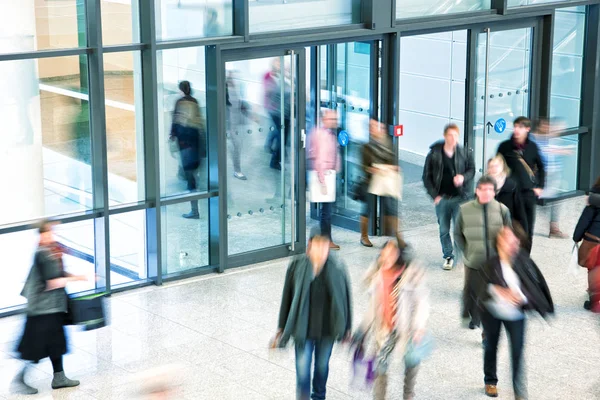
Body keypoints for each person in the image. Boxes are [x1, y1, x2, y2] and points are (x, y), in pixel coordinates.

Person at [273, 227, 353, 400]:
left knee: (321, 368)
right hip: (303, 329)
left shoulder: (337, 268)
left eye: (325, 245)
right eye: (318, 245)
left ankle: (319, 396)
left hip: (328, 330)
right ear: (310, 245)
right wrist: (281, 326)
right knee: (302, 371)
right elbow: (287, 296)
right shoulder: (297, 265)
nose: (322, 249)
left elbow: (346, 299)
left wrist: (347, 328)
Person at [478, 226, 554, 399]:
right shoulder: (491, 262)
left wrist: (521, 298)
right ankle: (490, 380)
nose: (513, 244)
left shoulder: (523, 261)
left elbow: (535, 288)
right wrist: (499, 290)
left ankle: (519, 392)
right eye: (508, 240)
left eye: (515, 240)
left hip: (516, 315)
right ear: (499, 243)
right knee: (491, 346)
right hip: (492, 312)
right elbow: (480, 288)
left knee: (517, 352)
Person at [13, 221, 87, 395]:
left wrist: (78, 276)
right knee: (36, 347)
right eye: (48, 233)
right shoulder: (42, 254)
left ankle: (59, 377)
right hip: (42, 310)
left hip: (51, 308)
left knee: (56, 343)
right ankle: (20, 379)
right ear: (41, 235)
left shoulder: (51, 251)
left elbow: (59, 274)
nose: (51, 235)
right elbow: (52, 282)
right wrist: (78, 278)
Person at [354, 240, 428, 400]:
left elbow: (422, 303)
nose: (386, 257)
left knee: (411, 361)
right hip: (385, 329)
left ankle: (408, 394)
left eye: (391, 253)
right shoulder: (378, 276)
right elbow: (373, 307)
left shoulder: (410, 275)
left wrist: (419, 327)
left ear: (398, 257)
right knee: (380, 367)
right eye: (384, 253)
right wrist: (362, 330)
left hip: (407, 328)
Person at [455, 176, 512, 332]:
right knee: (472, 292)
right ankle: (474, 316)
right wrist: (467, 251)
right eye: (483, 189)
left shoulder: (502, 210)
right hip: (473, 260)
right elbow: (458, 234)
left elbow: (508, 234)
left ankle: (486, 334)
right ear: (477, 191)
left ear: (494, 192)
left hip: (494, 263)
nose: (487, 192)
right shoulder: (464, 210)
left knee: (490, 296)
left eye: (490, 189)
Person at [423, 123, 475, 270]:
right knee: (444, 230)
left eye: (456, 135)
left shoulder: (464, 153)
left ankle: (460, 255)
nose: (453, 138)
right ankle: (448, 256)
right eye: (450, 135)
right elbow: (426, 177)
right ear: (445, 136)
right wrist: (434, 195)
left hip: (461, 198)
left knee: (460, 229)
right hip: (442, 199)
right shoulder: (434, 154)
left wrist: (463, 177)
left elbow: (471, 170)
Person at [497, 117, 545, 252]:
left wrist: (540, 187)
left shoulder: (532, 147)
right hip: (509, 193)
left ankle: (525, 257)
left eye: (520, 127)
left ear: (527, 129)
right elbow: (497, 166)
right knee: (508, 225)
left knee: (528, 228)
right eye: (515, 126)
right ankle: (507, 254)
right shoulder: (505, 146)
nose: (517, 130)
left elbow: (541, 167)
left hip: (527, 193)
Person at [361, 119, 404, 248]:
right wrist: (374, 169)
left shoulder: (387, 143)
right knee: (367, 209)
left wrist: (392, 168)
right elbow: (363, 167)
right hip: (371, 182)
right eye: (373, 127)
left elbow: (391, 160)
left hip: (386, 181)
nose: (377, 129)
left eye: (378, 126)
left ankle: (397, 236)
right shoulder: (366, 147)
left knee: (390, 208)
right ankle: (364, 236)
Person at [170, 81, 206, 219]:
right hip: (195, 144)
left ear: (181, 90)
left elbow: (175, 122)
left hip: (186, 145)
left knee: (190, 178)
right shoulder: (195, 102)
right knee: (192, 175)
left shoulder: (180, 103)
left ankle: (194, 210)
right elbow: (200, 124)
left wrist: (172, 135)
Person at [532, 118, 572, 238]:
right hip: (539, 176)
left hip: (554, 175)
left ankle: (554, 229)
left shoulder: (552, 139)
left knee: (557, 201)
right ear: (539, 126)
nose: (547, 128)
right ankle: (525, 226)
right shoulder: (533, 139)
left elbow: (557, 154)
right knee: (531, 200)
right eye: (544, 125)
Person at [307, 109, 341, 250]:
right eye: (332, 119)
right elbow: (319, 159)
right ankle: (326, 239)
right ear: (324, 119)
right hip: (324, 175)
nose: (334, 122)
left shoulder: (330, 133)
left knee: (327, 209)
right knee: (326, 211)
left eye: (335, 119)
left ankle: (324, 238)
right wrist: (322, 181)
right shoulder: (321, 134)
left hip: (330, 174)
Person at [573, 176, 600, 312]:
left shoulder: (595, 196)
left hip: (594, 238)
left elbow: (585, 219)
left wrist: (576, 237)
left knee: (594, 268)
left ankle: (595, 300)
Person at [487, 155, 529, 237]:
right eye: (491, 166)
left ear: (502, 167)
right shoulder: (483, 185)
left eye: (496, 166)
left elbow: (520, 210)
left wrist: (524, 232)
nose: (494, 169)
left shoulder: (512, 186)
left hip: (506, 228)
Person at [226, 70, 251, 180]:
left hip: (234, 125)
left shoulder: (234, 90)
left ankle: (237, 170)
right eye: (231, 78)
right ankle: (237, 170)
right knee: (236, 146)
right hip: (228, 126)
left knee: (236, 147)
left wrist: (251, 116)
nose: (233, 80)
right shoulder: (224, 92)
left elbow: (239, 105)